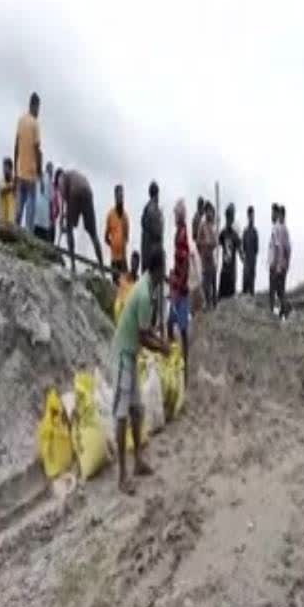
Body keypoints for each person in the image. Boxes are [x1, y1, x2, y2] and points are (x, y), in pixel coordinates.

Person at [111, 247, 172, 495]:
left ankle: (137, 462)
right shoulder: (145, 293)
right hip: (124, 355)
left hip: (131, 354)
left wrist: (160, 342)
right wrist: (163, 348)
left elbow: (147, 332)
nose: (164, 272)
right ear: (157, 269)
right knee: (122, 414)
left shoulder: (147, 286)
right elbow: (143, 336)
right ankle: (122, 476)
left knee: (137, 411)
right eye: (164, 268)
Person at [57, 169, 105, 275]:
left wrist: (62, 218)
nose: (58, 191)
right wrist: (66, 218)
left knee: (69, 229)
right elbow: (72, 209)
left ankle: (73, 266)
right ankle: (102, 270)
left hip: (76, 191)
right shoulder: (74, 175)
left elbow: (65, 197)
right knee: (93, 234)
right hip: (88, 191)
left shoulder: (61, 176)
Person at [168, 199, 192, 372]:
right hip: (177, 285)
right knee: (171, 324)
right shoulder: (179, 233)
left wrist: (179, 285)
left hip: (181, 290)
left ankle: (184, 363)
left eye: (176, 214)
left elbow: (185, 263)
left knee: (180, 327)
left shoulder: (183, 234)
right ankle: (177, 358)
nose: (174, 217)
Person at [14, 93, 43, 230]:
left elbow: (16, 146)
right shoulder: (35, 123)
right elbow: (37, 149)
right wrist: (40, 171)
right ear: (34, 105)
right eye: (38, 108)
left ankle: (13, 234)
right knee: (30, 215)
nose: (38, 111)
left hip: (20, 173)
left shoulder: (20, 121)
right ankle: (27, 238)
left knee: (19, 210)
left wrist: (15, 170)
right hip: (31, 176)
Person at [105, 184, 130, 284]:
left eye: (122, 195)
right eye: (119, 195)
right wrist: (112, 246)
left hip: (123, 259)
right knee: (115, 287)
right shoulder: (110, 214)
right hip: (114, 259)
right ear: (115, 197)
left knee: (125, 288)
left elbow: (127, 237)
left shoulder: (125, 216)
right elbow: (106, 237)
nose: (121, 198)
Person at [196, 201, 219, 309]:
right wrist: (204, 246)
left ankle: (214, 304)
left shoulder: (213, 225)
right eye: (207, 211)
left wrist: (212, 243)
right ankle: (208, 303)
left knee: (214, 282)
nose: (209, 213)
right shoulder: (202, 225)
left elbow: (216, 241)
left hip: (212, 258)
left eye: (211, 211)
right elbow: (198, 242)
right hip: (205, 258)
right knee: (206, 283)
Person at [218, 203, 242, 300]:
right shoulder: (223, 233)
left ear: (232, 219)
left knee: (230, 298)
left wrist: (243, 257)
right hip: (224, 270)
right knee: (221, 298)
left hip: (231, 272)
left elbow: (240, 251)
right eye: (227, 216)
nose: (228, 219)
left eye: (230, 217)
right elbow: (217, 243)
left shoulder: (235, 235)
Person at [141, 181, 163, 275]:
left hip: (145, 250)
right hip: (153, 253)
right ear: (157, 194)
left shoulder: (146, 209)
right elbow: (157, 232)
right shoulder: (154, 209)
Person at [33, 162, 55, 242]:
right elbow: (52, 198)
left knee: (35, 236)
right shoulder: (48, 180)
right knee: (43, 238)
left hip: (37, 216)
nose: (52, 172)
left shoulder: (39, 178)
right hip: (43, 218)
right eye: (51, 170)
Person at [241, 205, 259, 295]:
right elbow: (243, 247)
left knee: (252, 285)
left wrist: (253, 259)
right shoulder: (245, 232)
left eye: (253, 216)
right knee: (245, 283)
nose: (252, 218)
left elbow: (257, 249)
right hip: (247, 261)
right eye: (250, 216)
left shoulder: (255, 232)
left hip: (253, 260)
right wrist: (245, 260)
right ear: (248, 217)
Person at [268, 203, 281, 314]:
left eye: (272, 213)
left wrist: (274, 263)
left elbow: (277, 246)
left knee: (273, 291)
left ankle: (273, 313)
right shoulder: (275, 227)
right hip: (274, 264)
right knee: (274, 291)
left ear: (276, 213)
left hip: (274, 265)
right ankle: (274, 312)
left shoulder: (276, 228)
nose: (271, 215)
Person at [0, 158, 16, 224]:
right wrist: (12, 186)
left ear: (11, 169)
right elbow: (2, 190)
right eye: (4, 167)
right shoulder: (2, 181)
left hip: (11, 220)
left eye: (6, 168)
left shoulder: (14, 182)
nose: (4, 170)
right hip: (2, 220)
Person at [50, 168, 65, 245]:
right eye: (60, 177)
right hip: (47, 218)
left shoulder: (62, 193)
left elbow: (61, 210)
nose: (61, 180)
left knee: (51, 240)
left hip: (54, 220)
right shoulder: (52, 187)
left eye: (63, 178)